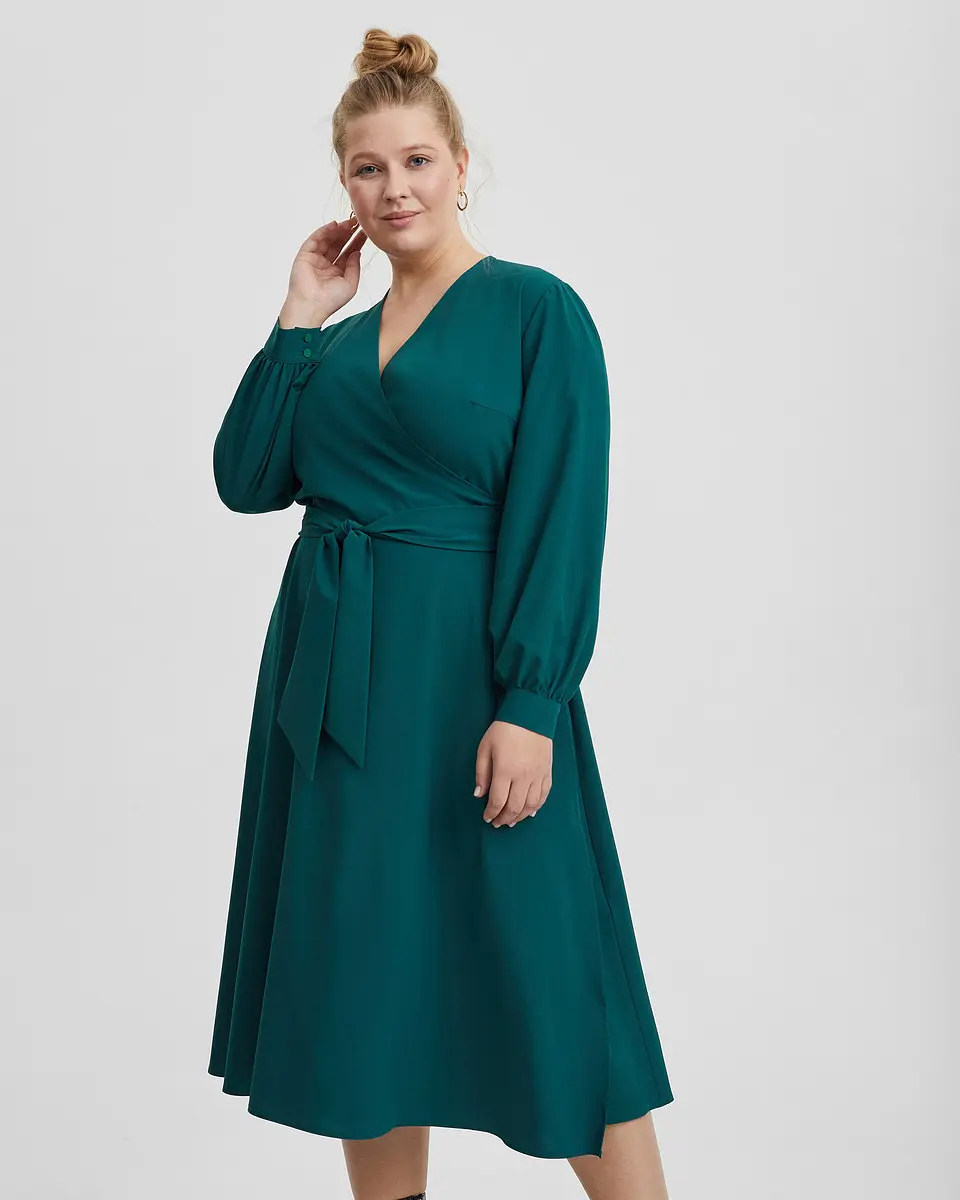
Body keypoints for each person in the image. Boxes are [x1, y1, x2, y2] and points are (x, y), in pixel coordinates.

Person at [207, 26, 674, 1200]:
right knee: (367, 985)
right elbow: (247, 478)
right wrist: (299, 315)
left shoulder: (535, 313)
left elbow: (563, 514)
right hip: (339, 700)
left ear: (461, 165)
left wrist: (533, 701)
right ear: (345, 185)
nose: (394, 188)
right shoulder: (334, 344)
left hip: (473, 686)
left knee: (550, 976)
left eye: (415, 160)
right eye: (367, 168)